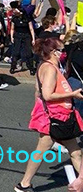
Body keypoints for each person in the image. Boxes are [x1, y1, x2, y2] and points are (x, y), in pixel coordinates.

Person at [15, 37, 83, 192]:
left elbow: (38, 92)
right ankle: (24, 184)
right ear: (53, 52)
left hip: (57, 116)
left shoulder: (48, 66)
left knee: (74, 152)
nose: (64, 53)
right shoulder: (51, 69)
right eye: (61, 50)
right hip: (56, 117)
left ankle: (24, 184)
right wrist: (73, 94)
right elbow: (47, 95)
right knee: (44, 151)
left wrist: (38, 111)